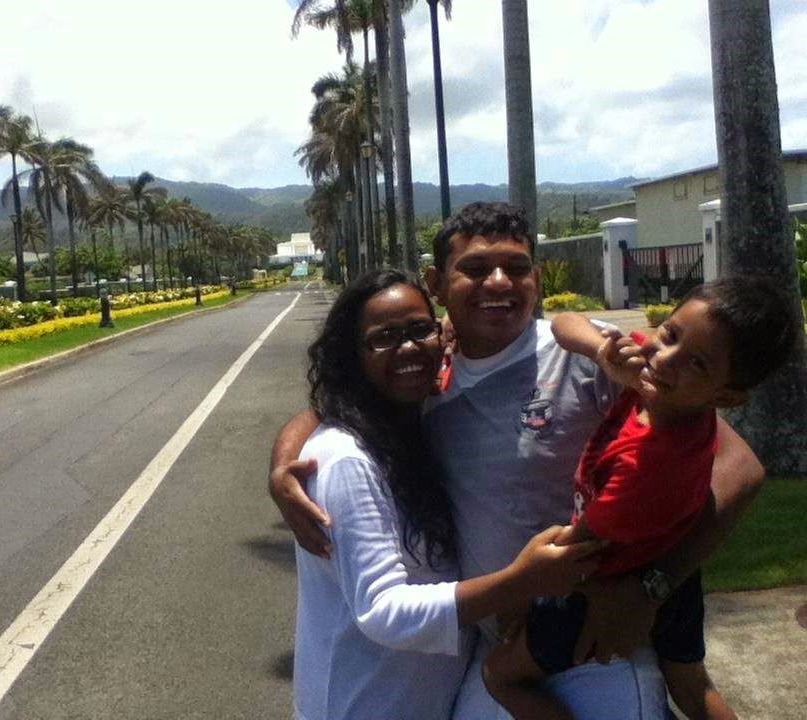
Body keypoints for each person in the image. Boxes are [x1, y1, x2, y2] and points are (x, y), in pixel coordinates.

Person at [270, 202, 764, 719]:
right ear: (438, 284)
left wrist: (651, 587)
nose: (499, 282)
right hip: (495, 652)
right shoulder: (427, 374)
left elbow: (740, 467)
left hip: (595, 649)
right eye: (475, 269)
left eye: (517, 267)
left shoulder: (593, 356)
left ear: (537, 279)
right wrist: (283, 465)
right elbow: (343, 400)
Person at [291, 268, 601, 720]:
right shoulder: (345, 459)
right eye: (384, 338)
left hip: (432, 700)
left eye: (420, 329)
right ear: (351, 356)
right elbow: (382, 611)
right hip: (359, 705)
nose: (408, 347)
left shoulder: (419, 424)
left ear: (442, 336)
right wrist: (521, 581)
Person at [482, 276, 798, 720]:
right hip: (672, 576)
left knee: (500, 676)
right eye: (669, 333)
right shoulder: (664, 393)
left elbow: (576, 549)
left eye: (697, 364)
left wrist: (518, 594)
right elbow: (564, 322)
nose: (664, 358)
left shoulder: (648, 465)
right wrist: (602, 352)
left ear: (726, 396)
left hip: (598, 589)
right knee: (691, 686)